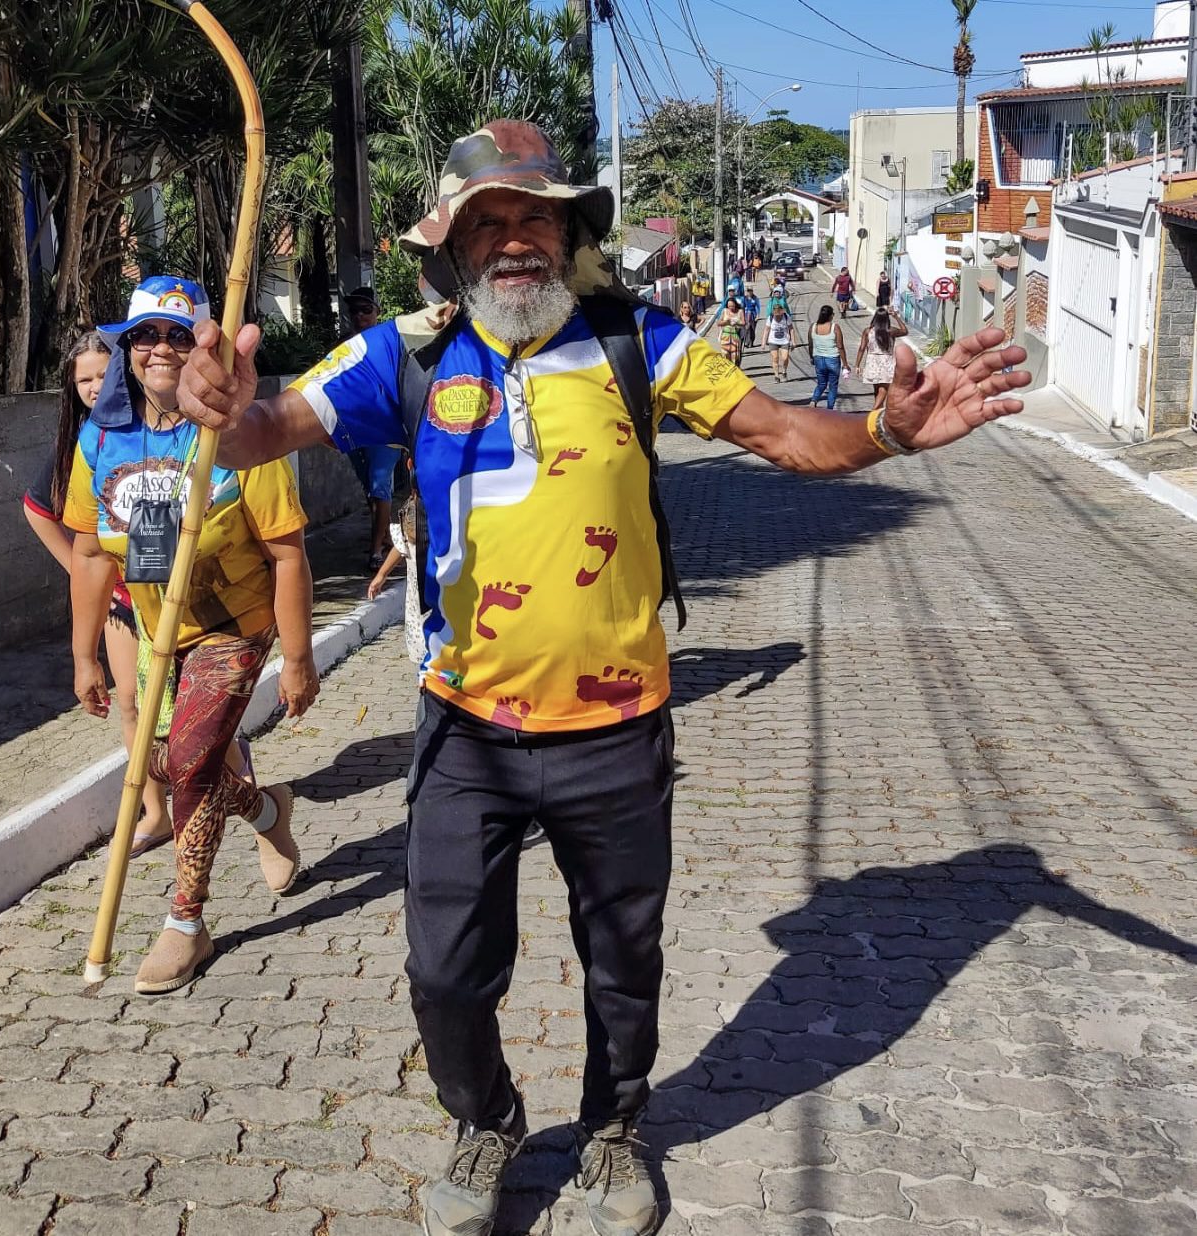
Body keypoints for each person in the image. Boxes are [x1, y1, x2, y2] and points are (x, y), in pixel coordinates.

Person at [177, 120, 1029, 1236]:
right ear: (452, 247)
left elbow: (781, 433)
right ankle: (484, 1123)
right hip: (462, 725)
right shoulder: (411, 353)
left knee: (622, 960)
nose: (516, 239)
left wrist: (887, 430)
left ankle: (616, 1134)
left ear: (572, 235)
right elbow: (270, 427)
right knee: (443, 967)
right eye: (489, 221)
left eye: (538, 216)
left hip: (616, 727)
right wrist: (223, 406)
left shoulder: (643, 343)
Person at [64, 275, 320, 996]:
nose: (160, 349)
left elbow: (288, 551)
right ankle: (269, 811)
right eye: (145, 335)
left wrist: (298, 658)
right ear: (126, 350)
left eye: (180, 335)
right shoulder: (103, 439)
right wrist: (85, 654)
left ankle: (186, 922)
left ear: (204, 345)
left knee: (191, 755)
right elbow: (88, 552)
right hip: (155, 628)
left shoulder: (235, 440)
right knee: (169, 765)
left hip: (234, 626)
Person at [23, 333, 172, 855]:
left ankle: (243, 793)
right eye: (82, 378)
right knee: (131, 705)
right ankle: (155, 812)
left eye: (102, 375)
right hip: (123, 609)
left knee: (194, 713)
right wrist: (89, 580)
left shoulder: (164, 424)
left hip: (180, 597)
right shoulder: (85, 442)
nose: (94, 387)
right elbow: (38, 510)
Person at [343, 287, 399, 571]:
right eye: (354, 310)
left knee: (380, 487)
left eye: (366, 310)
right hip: (354, 426)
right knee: (370, 487)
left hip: (385, 425)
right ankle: (386, 537)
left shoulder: (388, 341)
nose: (360, 316)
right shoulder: (343, 348)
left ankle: (376, 549)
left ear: (377, 312)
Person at [366, 498, 426, 666]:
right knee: (422, 657)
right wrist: (381, 574)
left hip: (442, 604)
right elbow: (401, 546)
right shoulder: (410, 528)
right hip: (418, 610)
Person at [856, 308, 910, 412]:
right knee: (884, 389)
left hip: (872, 361)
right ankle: (874, 411)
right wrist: (896, 317)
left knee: (877, 390)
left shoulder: (868, 331)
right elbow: (905, 331)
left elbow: (862, 348)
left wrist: (857, 365)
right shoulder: (891, 331)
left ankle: (877, 412)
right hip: (887, 362)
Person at [808, 303, 849, 410]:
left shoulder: (813, 327)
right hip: (832, 359)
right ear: (830, 316)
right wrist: (845, 364)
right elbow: (840, 346)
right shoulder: (835, 327)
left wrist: (812, 357)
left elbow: (810, 344)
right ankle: (829, 409)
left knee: (821, 383)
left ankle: (814, 400)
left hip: (818, 358)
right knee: (833, 386)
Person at [763, 301, 798, 381]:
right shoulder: (770, 317)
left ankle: (784, 372)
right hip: (773, 340)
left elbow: (791, 329)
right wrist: (763, 343)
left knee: (785, 358)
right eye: (776, 315)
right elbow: (766, 330)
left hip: (784, 340)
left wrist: (793, 341)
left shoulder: (786, 317)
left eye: (779, 315)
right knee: (775, 358)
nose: (778, 316)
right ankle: (776, 375)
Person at [720, 295, 746, 367]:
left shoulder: (740, 311)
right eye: (729, 306)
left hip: (735, 336)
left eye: (732, 306)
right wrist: (726, 322)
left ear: (735, 304)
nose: (730, 308)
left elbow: (744, 323)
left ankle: (735, 372)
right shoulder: (724, 311)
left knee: (735, 356)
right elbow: (718, 323)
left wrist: (737, 323)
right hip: (725, 336)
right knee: (725, 355)